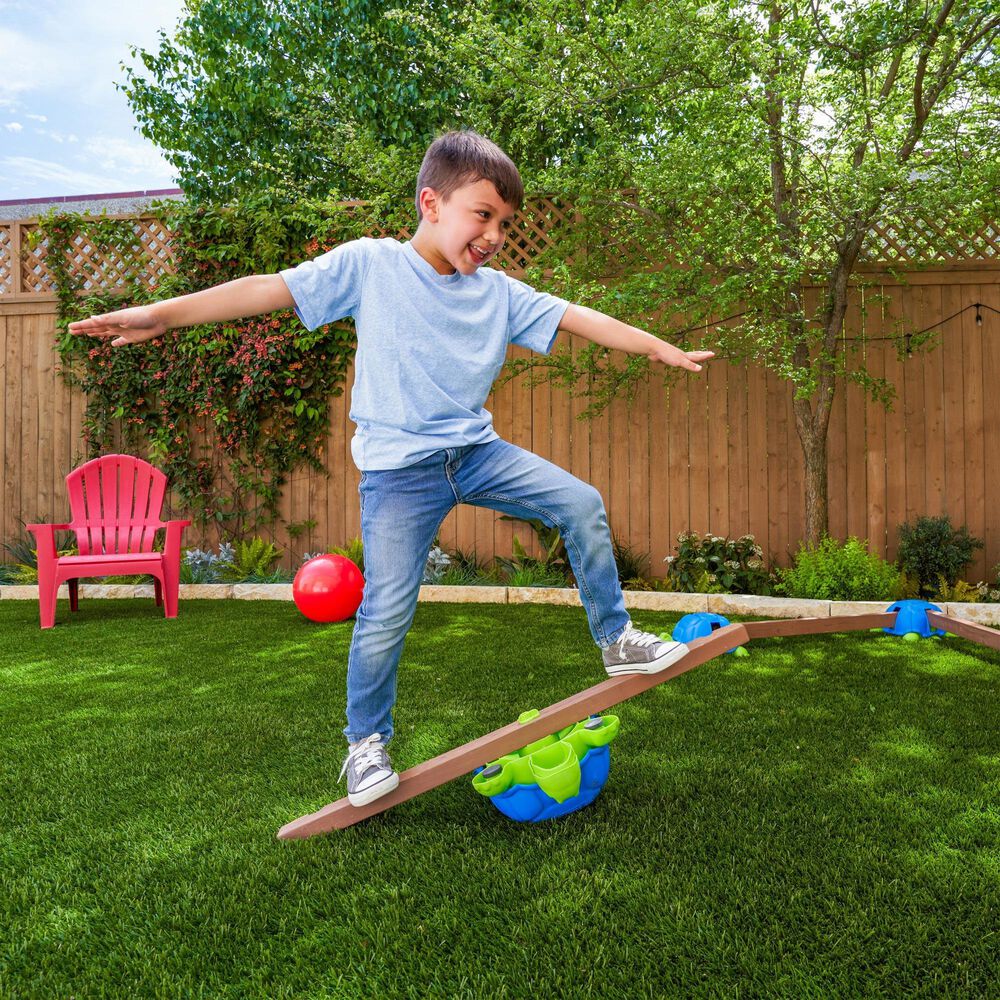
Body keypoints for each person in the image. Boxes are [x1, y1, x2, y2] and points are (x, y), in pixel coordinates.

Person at [69, 130, 715, 808]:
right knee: (386, 611)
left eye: (504, 222)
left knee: (581, 503)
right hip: (399, 475)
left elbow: (579, 317)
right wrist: (158, 315)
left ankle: (617, 640)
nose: (495, 234)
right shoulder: (371, 265)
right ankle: (365, 745)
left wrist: (658, 348)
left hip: (477, 454)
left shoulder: (498, 293)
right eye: (483, 214)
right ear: (432, 203)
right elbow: (268, 288)